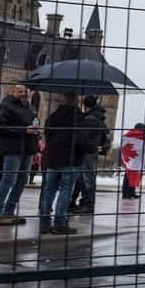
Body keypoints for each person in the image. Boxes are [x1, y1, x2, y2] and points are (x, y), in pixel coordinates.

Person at [40, 92, 99, 234]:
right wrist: (93, 147)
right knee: (65, 192)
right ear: (77, 102)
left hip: (52, 159)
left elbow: (47, 135)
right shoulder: (78, 118)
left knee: (49, 191)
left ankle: (45, 222)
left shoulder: (52, 117)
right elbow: (81, 141)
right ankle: (60, 223)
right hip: (70, 161)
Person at [0, 84, 39, 226]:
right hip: (12, 149)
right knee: (8, 179)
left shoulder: (30, 107)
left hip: (27, 149)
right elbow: (0, 128)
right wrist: (23, 130)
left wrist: (36, 149)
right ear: (13, 92)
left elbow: (33, 128)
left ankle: (9, 211)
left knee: (22, 181)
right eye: (20, 91)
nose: (23, 93)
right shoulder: (6, 105)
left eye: (25, 91)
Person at [70, 94, 110, 213]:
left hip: (88, 151)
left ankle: (87, 204)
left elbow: (84, 137)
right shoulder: (98, 116)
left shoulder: (90, 118)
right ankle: (84, 203)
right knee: (85, 177)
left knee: (87, 177)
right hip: (93, 150)